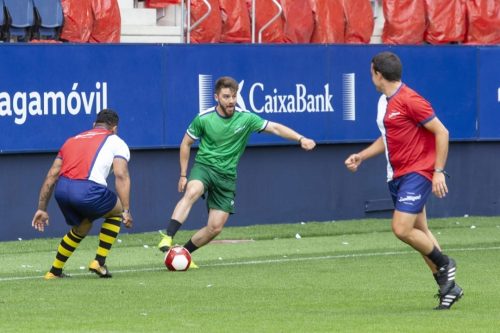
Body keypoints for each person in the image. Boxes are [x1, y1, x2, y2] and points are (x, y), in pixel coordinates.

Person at [345, 52, 463, 310]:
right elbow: (386, 138)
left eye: (371, 73)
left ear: (378, 73)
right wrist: (361, 156)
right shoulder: (383, 102)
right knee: (420, 232)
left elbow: (442, 132)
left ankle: (445, 264)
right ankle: (449, 288)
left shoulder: (410, 99)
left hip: (417, 172)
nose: (371, 77)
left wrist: (438, 171)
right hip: (396, 176)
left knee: (401, 228)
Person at [157, 76, 316, 267]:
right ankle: (168, 236)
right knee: (193, 191)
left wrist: (300, 138)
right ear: (216, 97)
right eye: (226, 96)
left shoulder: (246, 118)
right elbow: (186, 143)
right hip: (205, 167)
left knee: (215, 227)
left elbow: (274, 127)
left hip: (227, 176)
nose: (231, 100)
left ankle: (183, 253)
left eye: (233, 96)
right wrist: (183, 174)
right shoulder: (204, 118)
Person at [32, 109, 133, 279]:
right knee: (116, 210)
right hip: (88, 190)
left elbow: (51, 175)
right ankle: (99, 262)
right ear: (114, 128)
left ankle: (54, 271)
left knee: (82, 226)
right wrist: (126, 210)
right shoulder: (116, 141)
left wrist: (42, 208)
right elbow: (121, 175)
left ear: (94, 125)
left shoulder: (71, 140)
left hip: (62, 191)